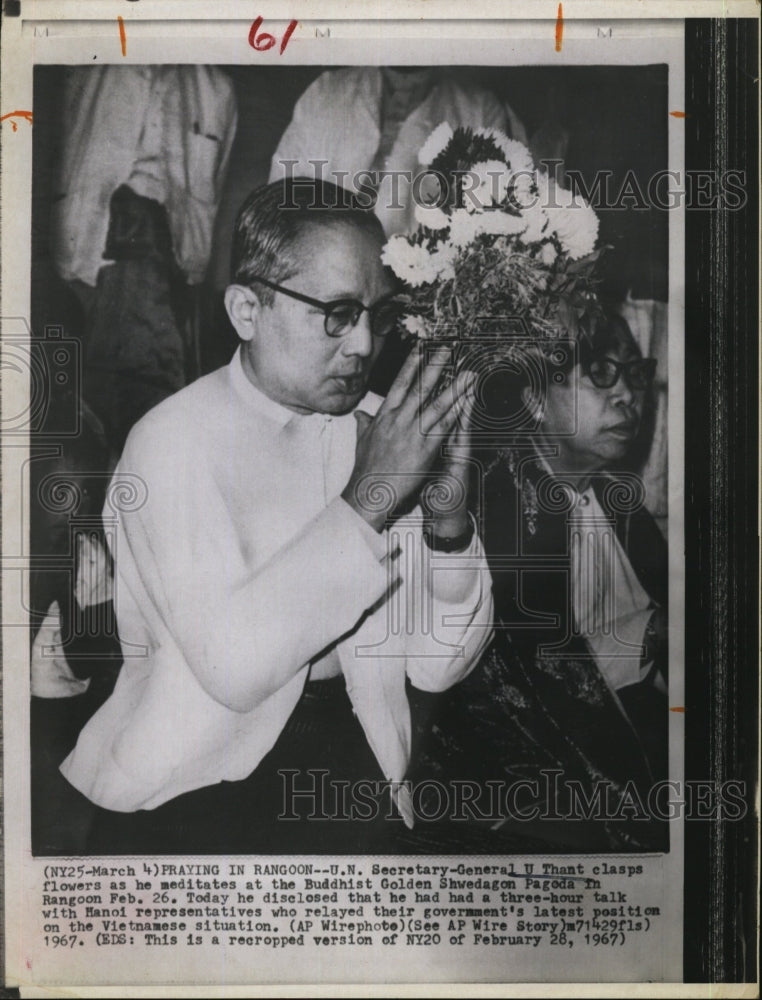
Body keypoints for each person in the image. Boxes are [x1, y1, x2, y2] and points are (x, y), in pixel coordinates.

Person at [60, 178, 493, 854]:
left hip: (360, 768)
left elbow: (440, 668)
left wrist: (448, 525)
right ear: (246, 310)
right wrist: (372, 497)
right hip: (194, 794)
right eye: (337, 314)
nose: (363, 347)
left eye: (378, 317)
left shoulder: (382, 430)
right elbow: (234, 670)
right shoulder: (173, 440)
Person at [410, 312, 668, 852]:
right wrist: (650, 635)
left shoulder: (626, 510)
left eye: (636, 375)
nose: (627, 397)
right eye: (600, 372)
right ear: (532, 398)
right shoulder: (498, 513)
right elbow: (524, 687)